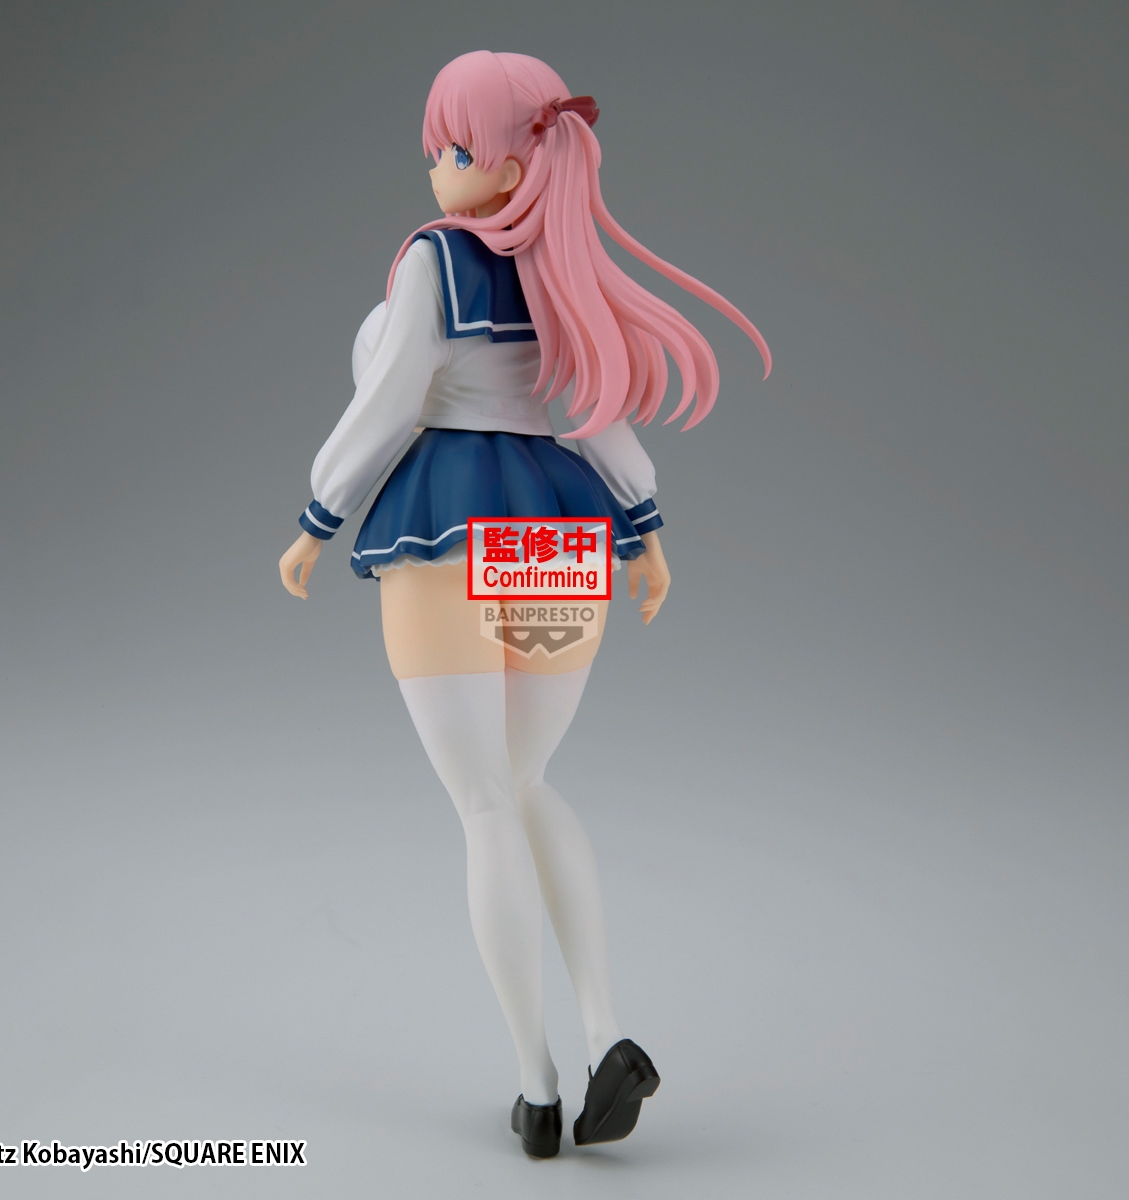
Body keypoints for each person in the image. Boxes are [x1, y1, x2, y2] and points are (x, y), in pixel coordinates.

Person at [279, 50, 769, 1158]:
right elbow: (596, 410)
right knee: (531, 782)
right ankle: (606, 1034)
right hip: (554, 529)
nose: (438, 167)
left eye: (455, 149)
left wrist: (317, 515)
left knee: (485, 804)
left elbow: (388, 402)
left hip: (448, 527)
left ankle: (538, 1088)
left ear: (509, 164)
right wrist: (646, 530)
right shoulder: (562, 262)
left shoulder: (434, 260)